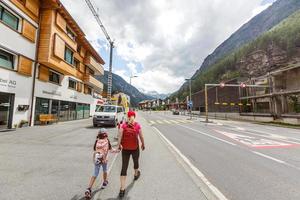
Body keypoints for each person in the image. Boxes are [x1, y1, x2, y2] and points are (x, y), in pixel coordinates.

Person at [117, 111, 145, 198]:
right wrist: (143, 144)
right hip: (135, 148)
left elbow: (119, 136)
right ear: (134, 116)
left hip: (125, 149)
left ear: (127, 116)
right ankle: (136, 174)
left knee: (124, 167)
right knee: (135, 161)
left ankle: (122, 189)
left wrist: (119, 145)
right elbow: (141, 136)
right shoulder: (137, 125)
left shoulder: (124, 125)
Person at [85, 128, 119, 199]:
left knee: (95, 174)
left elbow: (95, 149)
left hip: (97, 159)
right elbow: (111, 150)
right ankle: (104, 182)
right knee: (105, 171)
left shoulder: (97, 141)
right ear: (106, 135)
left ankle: (89, 188)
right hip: (104, 160)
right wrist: (118, 150)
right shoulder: (107, 141)